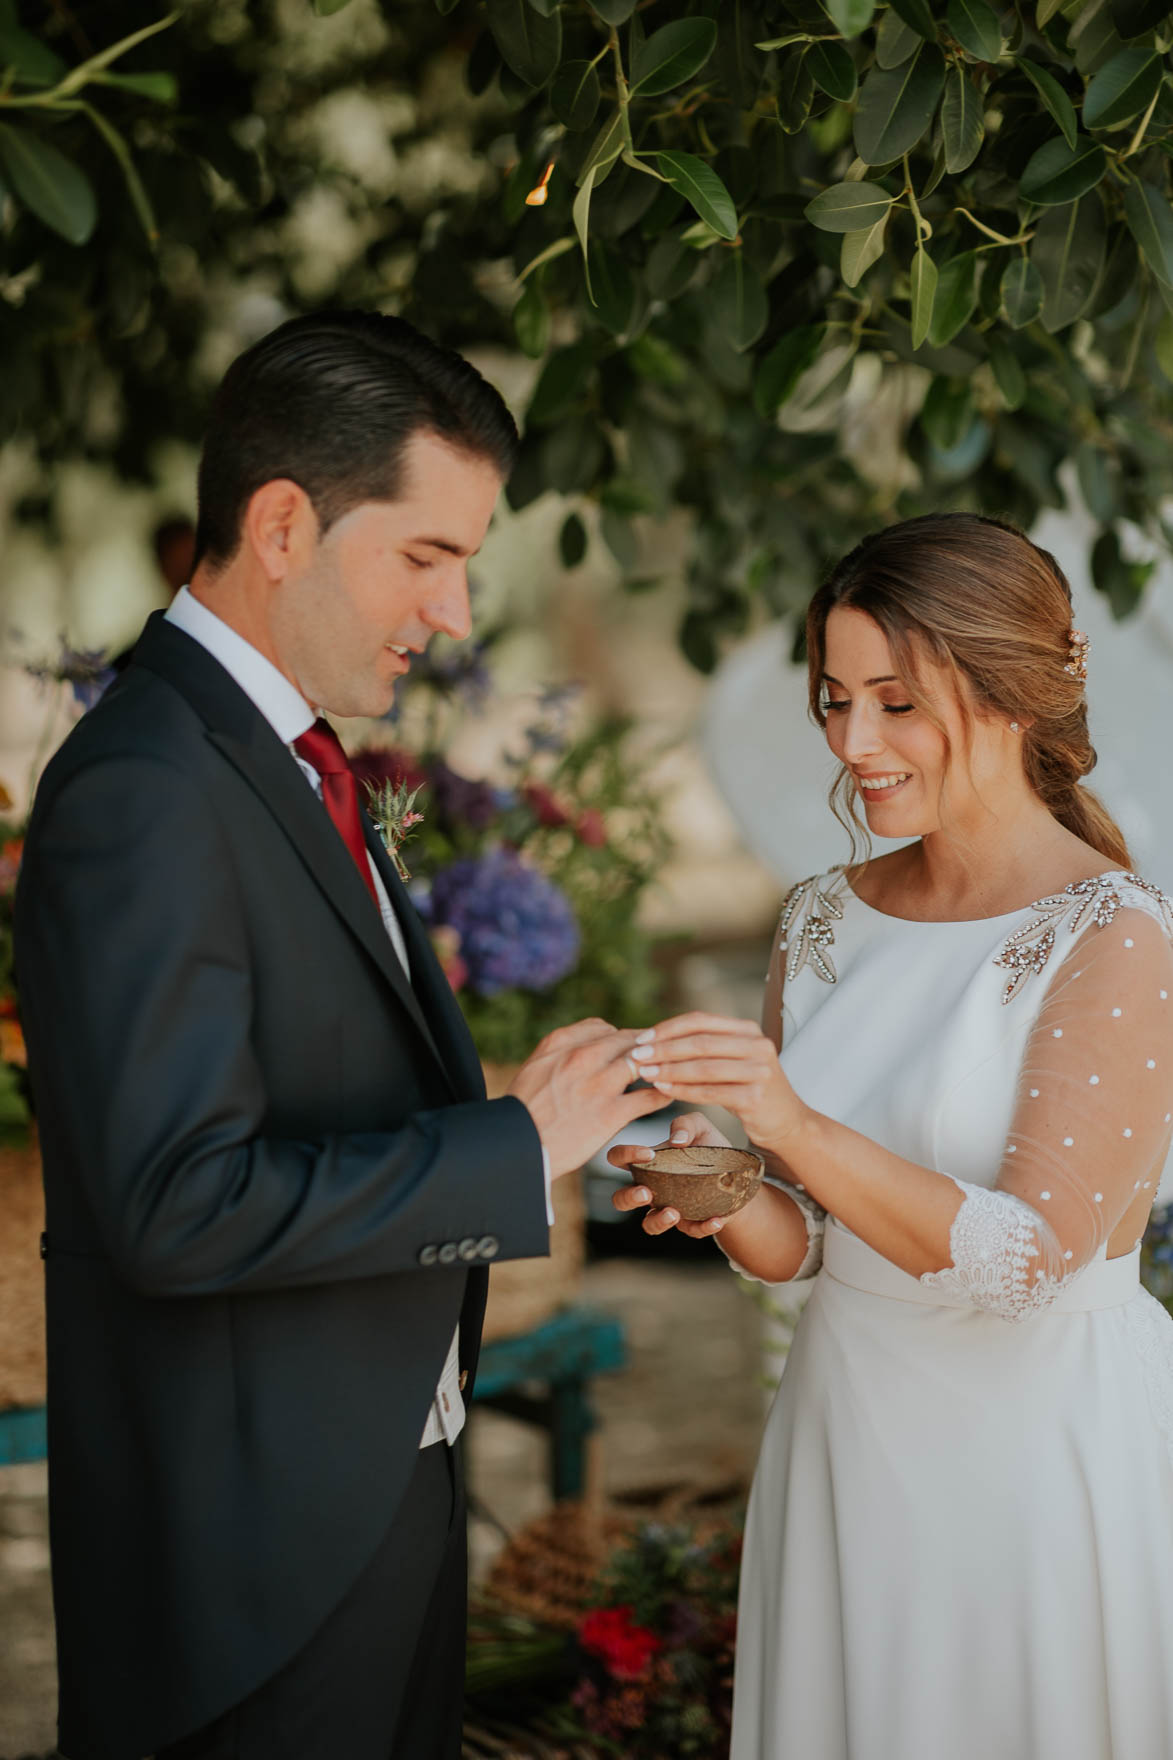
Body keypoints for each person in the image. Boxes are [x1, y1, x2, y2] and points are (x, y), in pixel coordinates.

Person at [15, 310, 663, 1760]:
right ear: (284, 523)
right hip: (246, 1582)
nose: (453, 615)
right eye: (425, 557)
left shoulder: (289, 758)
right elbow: (176, 1209)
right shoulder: (148, 790)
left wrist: (553, 1117)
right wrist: (515, 1149)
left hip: (372, 1504)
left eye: (466, 566)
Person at [611, 513, 1173, 1760]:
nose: (853, 743)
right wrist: (718, 1189)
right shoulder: (822, 916)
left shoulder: (1116, 931)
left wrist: (789, 1119)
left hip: (1034, 1454)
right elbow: (804, 1243)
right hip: (850, 1434)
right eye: (833, 698)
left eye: (895, 702)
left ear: (1015, 698)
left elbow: (1028, 1258)